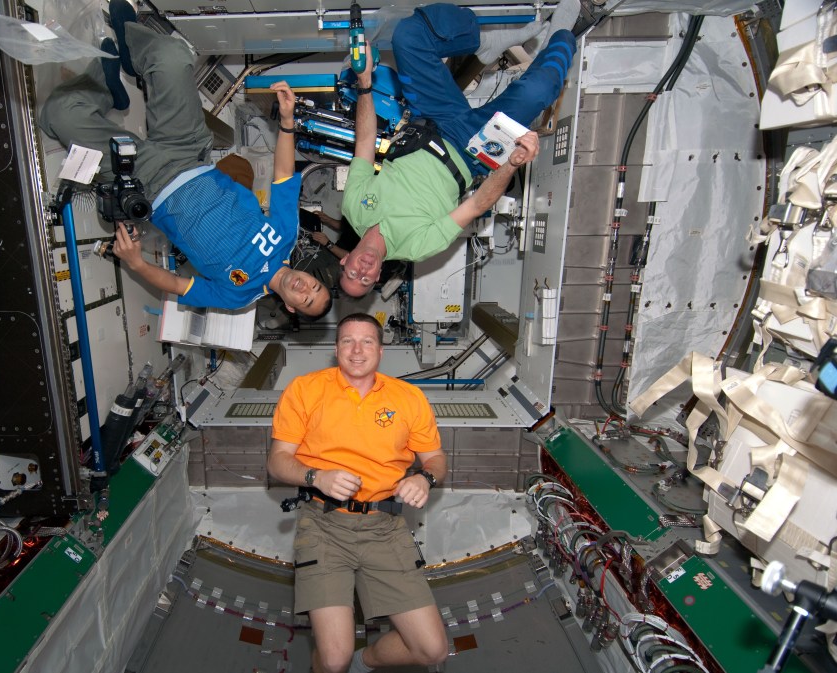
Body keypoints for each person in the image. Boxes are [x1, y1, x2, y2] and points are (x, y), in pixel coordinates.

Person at [40, 0, 332, 317]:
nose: (305, 289)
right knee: (172, 56)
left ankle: (105, 90)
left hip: (148, 183)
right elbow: (285, 173)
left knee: (58, 115)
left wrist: (138, 264)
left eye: (306, 301)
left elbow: (179, 286)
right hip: (189, 152)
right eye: (314, 286)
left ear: (289, 306)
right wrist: (288, 122)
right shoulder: (287, 235)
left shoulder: (238, 296)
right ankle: (128, 46)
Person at [338, 0, 585, 297]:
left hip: (429, 118)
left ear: (345, 259)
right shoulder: (417, 247)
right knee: (538, 89)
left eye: (353, 273)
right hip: (473, 152)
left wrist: (364, 83)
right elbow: (477, 205)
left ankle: (483, 43)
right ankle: (561, 33)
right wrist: (511, 164)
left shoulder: (353, 207)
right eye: (365, 279)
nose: (362, 270)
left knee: (408, 35)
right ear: (378, 275)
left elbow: (364, 144)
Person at [269, 312, 448, 673]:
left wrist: (424, 478)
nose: (356, 350)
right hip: (322, 525)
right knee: (332, 659)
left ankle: (363, 662)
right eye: (348, 341)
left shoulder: (408, 398)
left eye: (367, 341)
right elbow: (277, 462)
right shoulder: (305, 390)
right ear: (336, 350)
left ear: (380, 351)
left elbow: (436, 459)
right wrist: (315, 476)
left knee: (432, 650)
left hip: (384, 527)